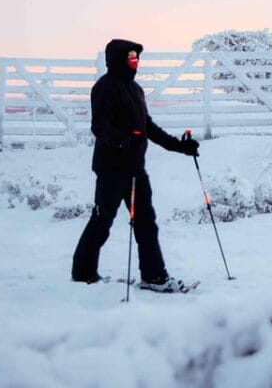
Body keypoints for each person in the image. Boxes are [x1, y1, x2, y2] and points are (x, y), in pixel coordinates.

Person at [71, 38, 199, 292]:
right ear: (118, 59)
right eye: (130, 58)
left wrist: (180, 147)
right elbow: (100, 126)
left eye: (136, 58)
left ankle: (153, 276)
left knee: (146, 222)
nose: (135, 62)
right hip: (112, 169)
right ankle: (83, 271)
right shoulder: (105, 87)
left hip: (135, 169)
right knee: (102, 220)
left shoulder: (135, 89)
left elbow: (147, 126)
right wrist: (123, 142)